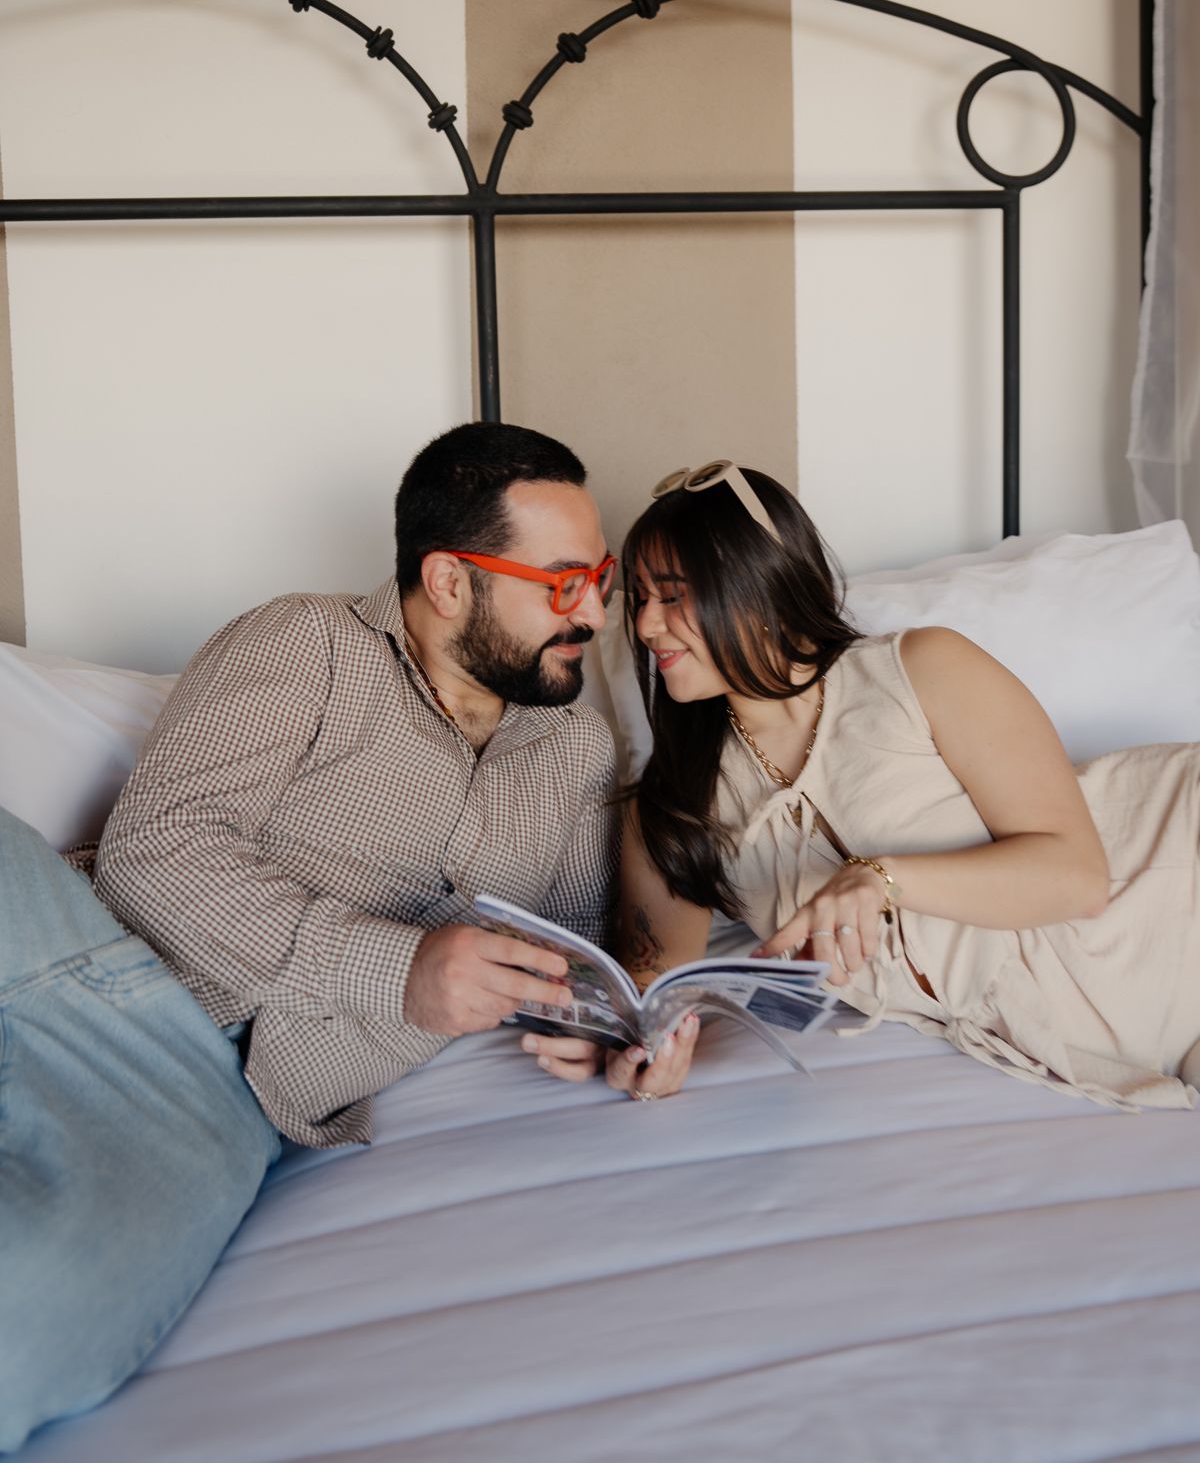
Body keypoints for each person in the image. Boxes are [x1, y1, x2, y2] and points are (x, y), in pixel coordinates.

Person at [0, 421, 620, 1450]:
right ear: (450, 582)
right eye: (561, 584)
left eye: (596, 576)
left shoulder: (576, 750)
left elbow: (579, 957)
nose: (594, 611)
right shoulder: (308, 644)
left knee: (38, 1308)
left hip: (211, 1087)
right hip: (64, 943)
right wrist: (397, 970)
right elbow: (153, 851)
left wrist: (623, 1022)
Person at [544, 458, 1200, 1110]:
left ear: (756, 586)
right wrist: (637, 1048)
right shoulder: (671, 806)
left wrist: (878, 877)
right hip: (1081, 1018)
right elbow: (654, 990)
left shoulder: (922, 668)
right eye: (640, 599)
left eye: (672, 595)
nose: (646, 625)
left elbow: (1079, 878)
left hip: (1167, 880)